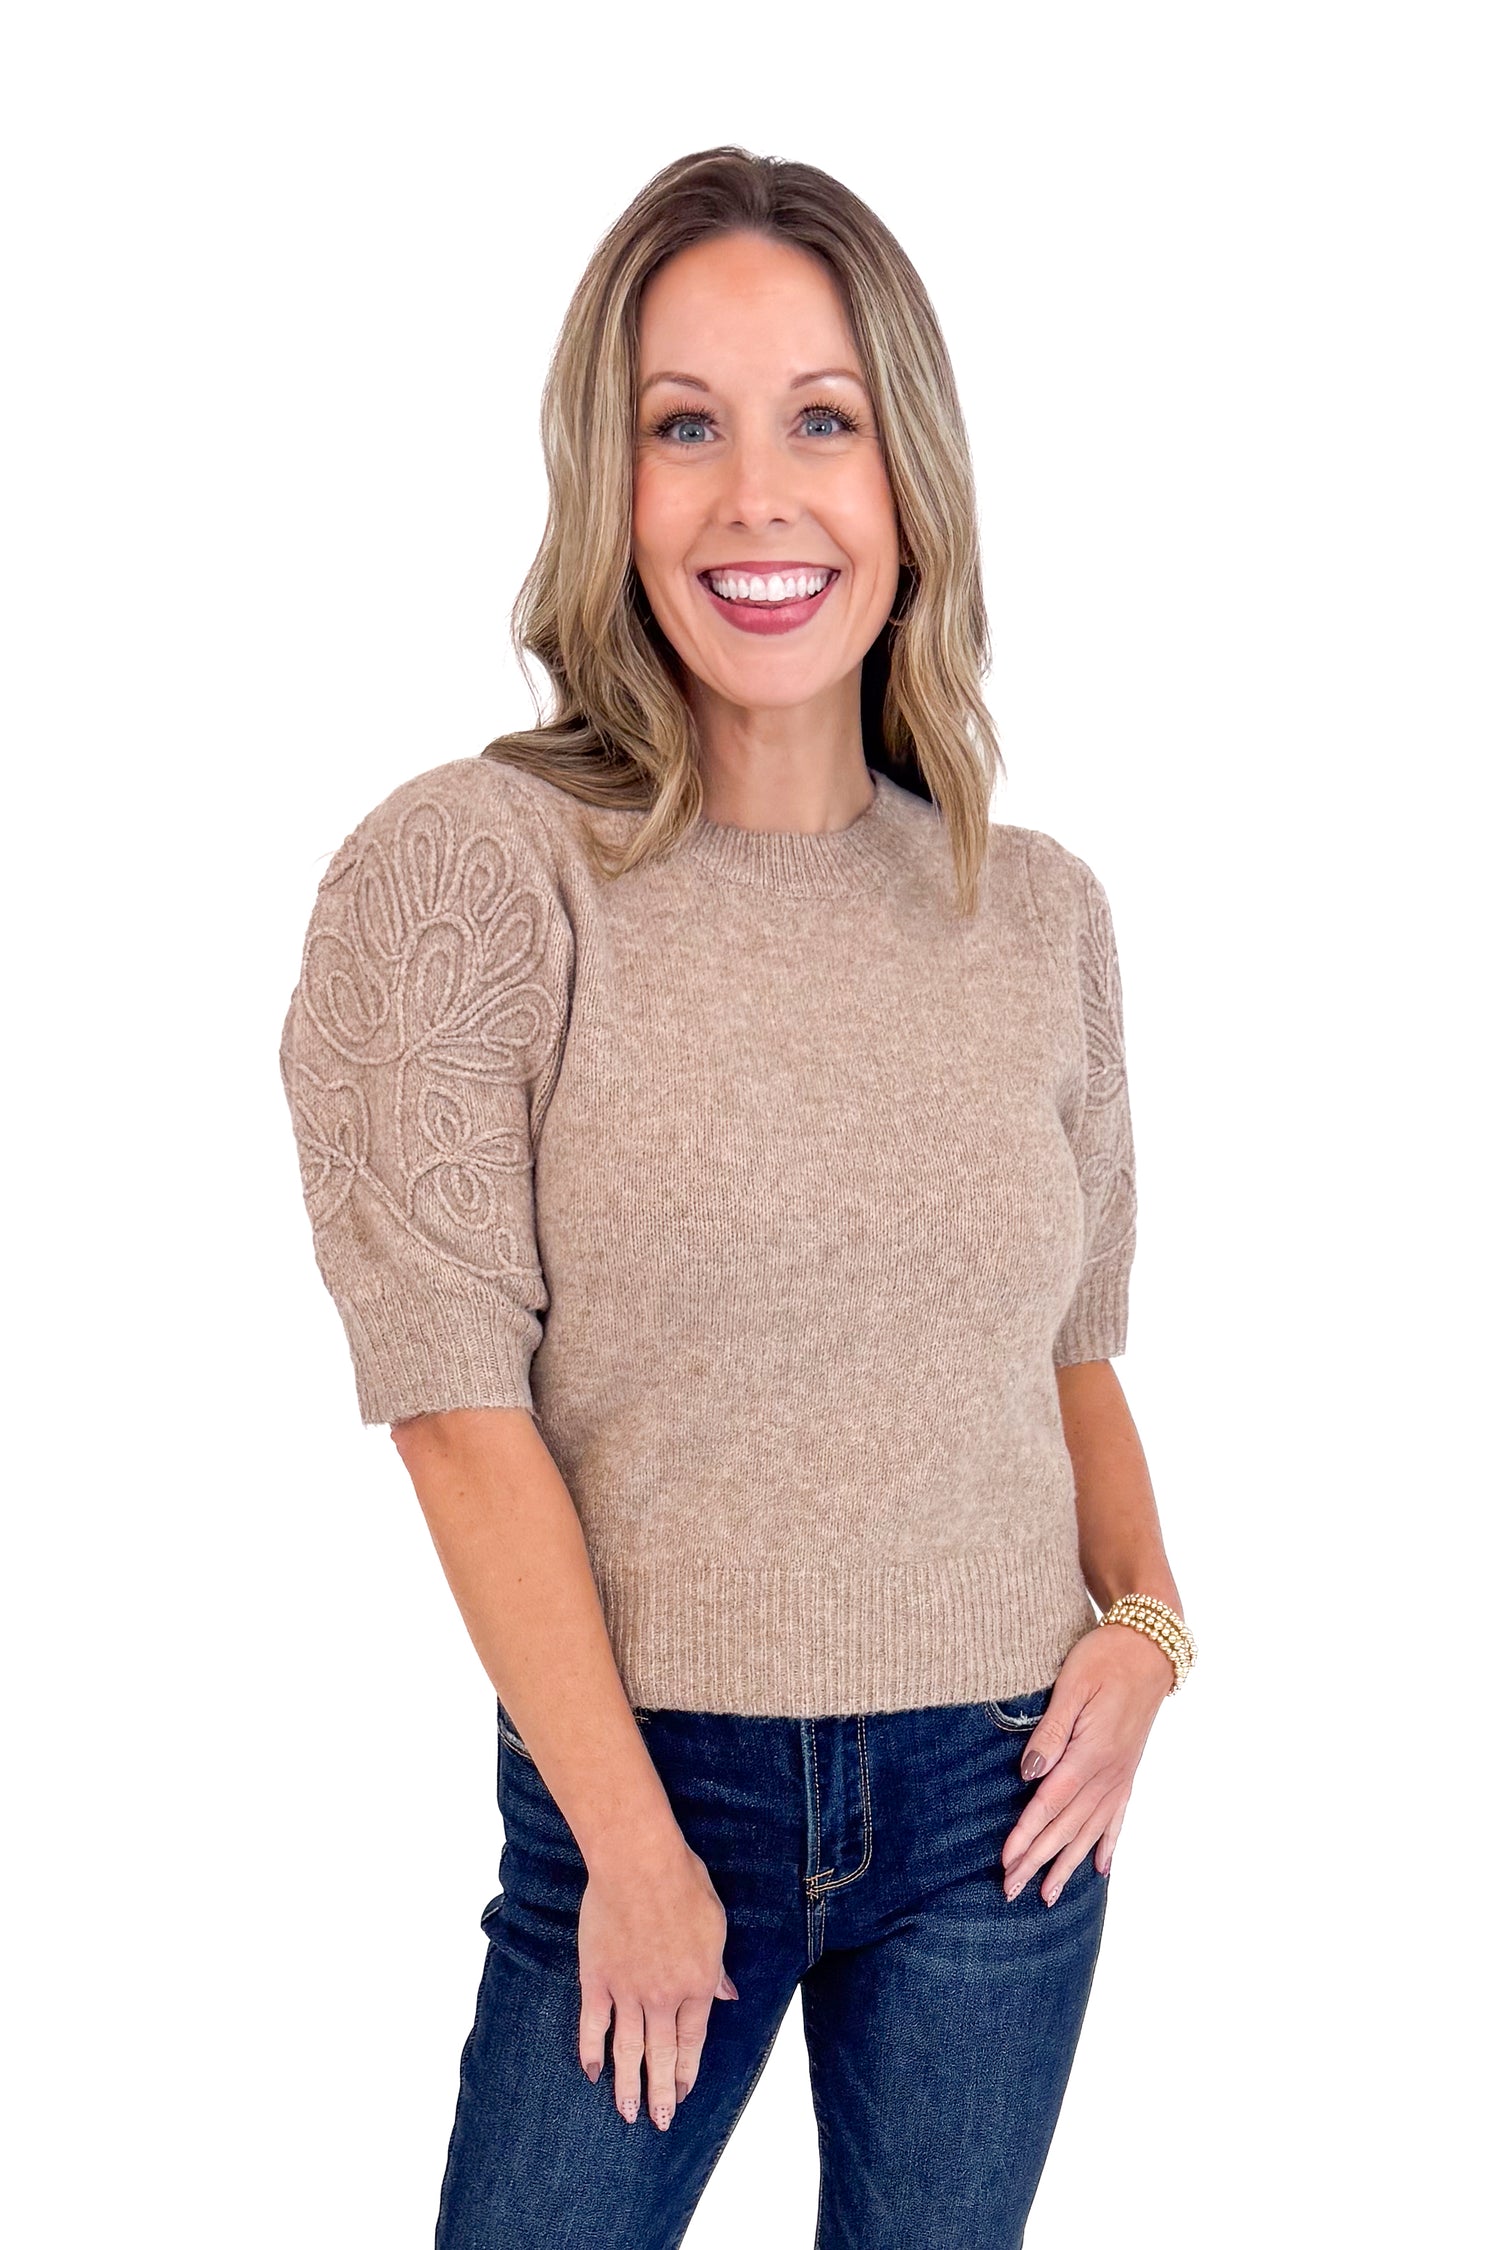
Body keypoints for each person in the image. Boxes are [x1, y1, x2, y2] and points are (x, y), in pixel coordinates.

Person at [278, 145, 1196, 2250]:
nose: (756, 499)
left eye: (824, 422)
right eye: (683, 425)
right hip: (648, 1782)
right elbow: (451, 1398)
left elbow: (1068, 1356)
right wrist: (625, 1833)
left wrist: (1146, 1633)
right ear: (609, 484)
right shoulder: (473, 871)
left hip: (1000, 1810)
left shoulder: (1037, 910)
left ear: (909, 484)